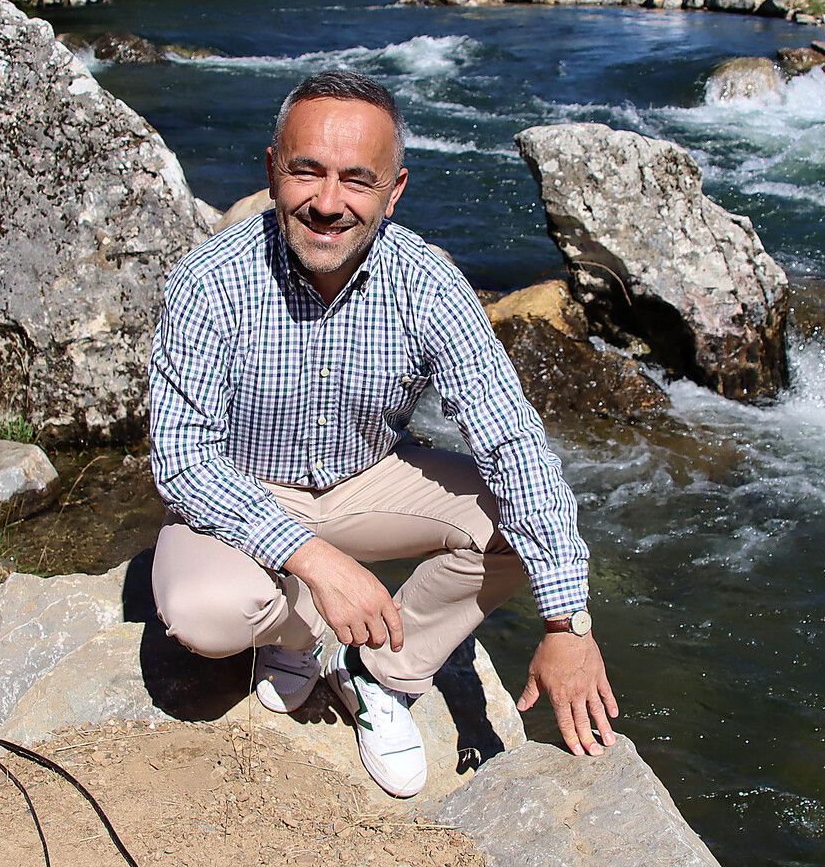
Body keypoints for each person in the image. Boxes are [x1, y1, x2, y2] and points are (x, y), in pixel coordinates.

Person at [148, 71, 618, 799]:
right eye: (306, 171)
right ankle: (297, 634)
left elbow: (514, 442)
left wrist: (568, 624)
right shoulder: (209, 281)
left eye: (356, 180)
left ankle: (378, 674)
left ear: (394, 192)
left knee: (527, 527)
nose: (328, 203)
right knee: (204, 614)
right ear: (272, 169)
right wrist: (316, 565)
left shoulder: (428, 284)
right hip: (245, 488)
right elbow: (181, 460)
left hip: (368, 480)